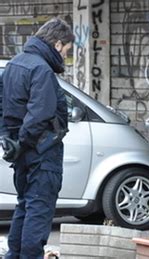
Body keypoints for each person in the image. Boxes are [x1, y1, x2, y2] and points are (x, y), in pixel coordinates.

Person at [1, 17, 74, 259]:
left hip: (22, 152)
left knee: (25, 207)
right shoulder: (41, 69)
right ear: (57, 45)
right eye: (66, 50)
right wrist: (22, 141)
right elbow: (39, 114)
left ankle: (14, 255)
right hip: (42, 151)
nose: (65, 56)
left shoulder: (14, 64)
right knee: (39, 210)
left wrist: (9, 140)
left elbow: (4, 107)